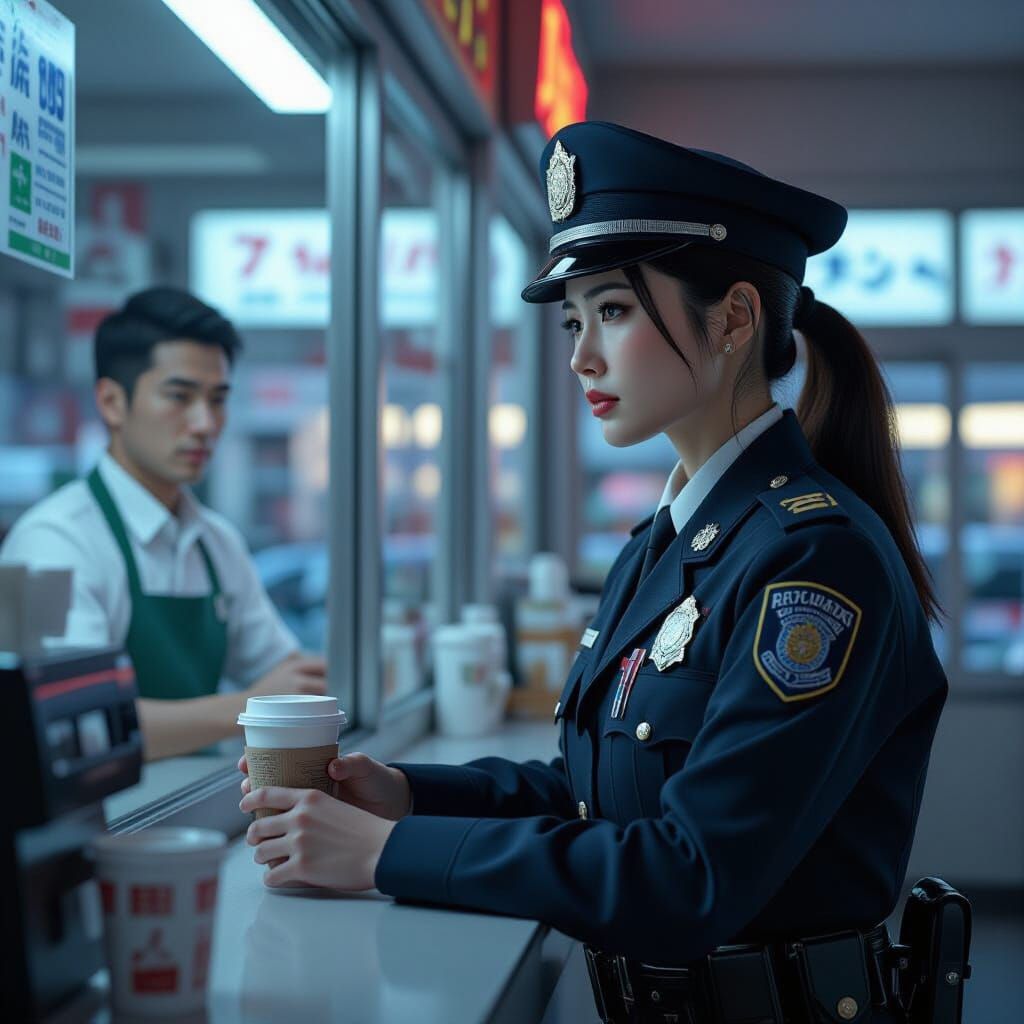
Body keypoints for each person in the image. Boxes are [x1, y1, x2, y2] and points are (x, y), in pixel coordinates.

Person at [238, 123, 951, 1023]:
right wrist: (410, 793)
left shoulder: (813, 559)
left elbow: (691, 876)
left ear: (733, 319)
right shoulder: (671, 543)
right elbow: (596, 796)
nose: (579, 354)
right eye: (574, 320)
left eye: (612, 311)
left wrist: (385, 855)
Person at [1, 287, 326, 760]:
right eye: (180, 396)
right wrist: (246, 708)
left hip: (201, 809)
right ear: (112, 401)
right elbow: (71, 725)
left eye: (217, 399)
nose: (205, 423)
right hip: (99, 825)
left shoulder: (216, 541)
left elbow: (285, 671)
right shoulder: (50, 542)